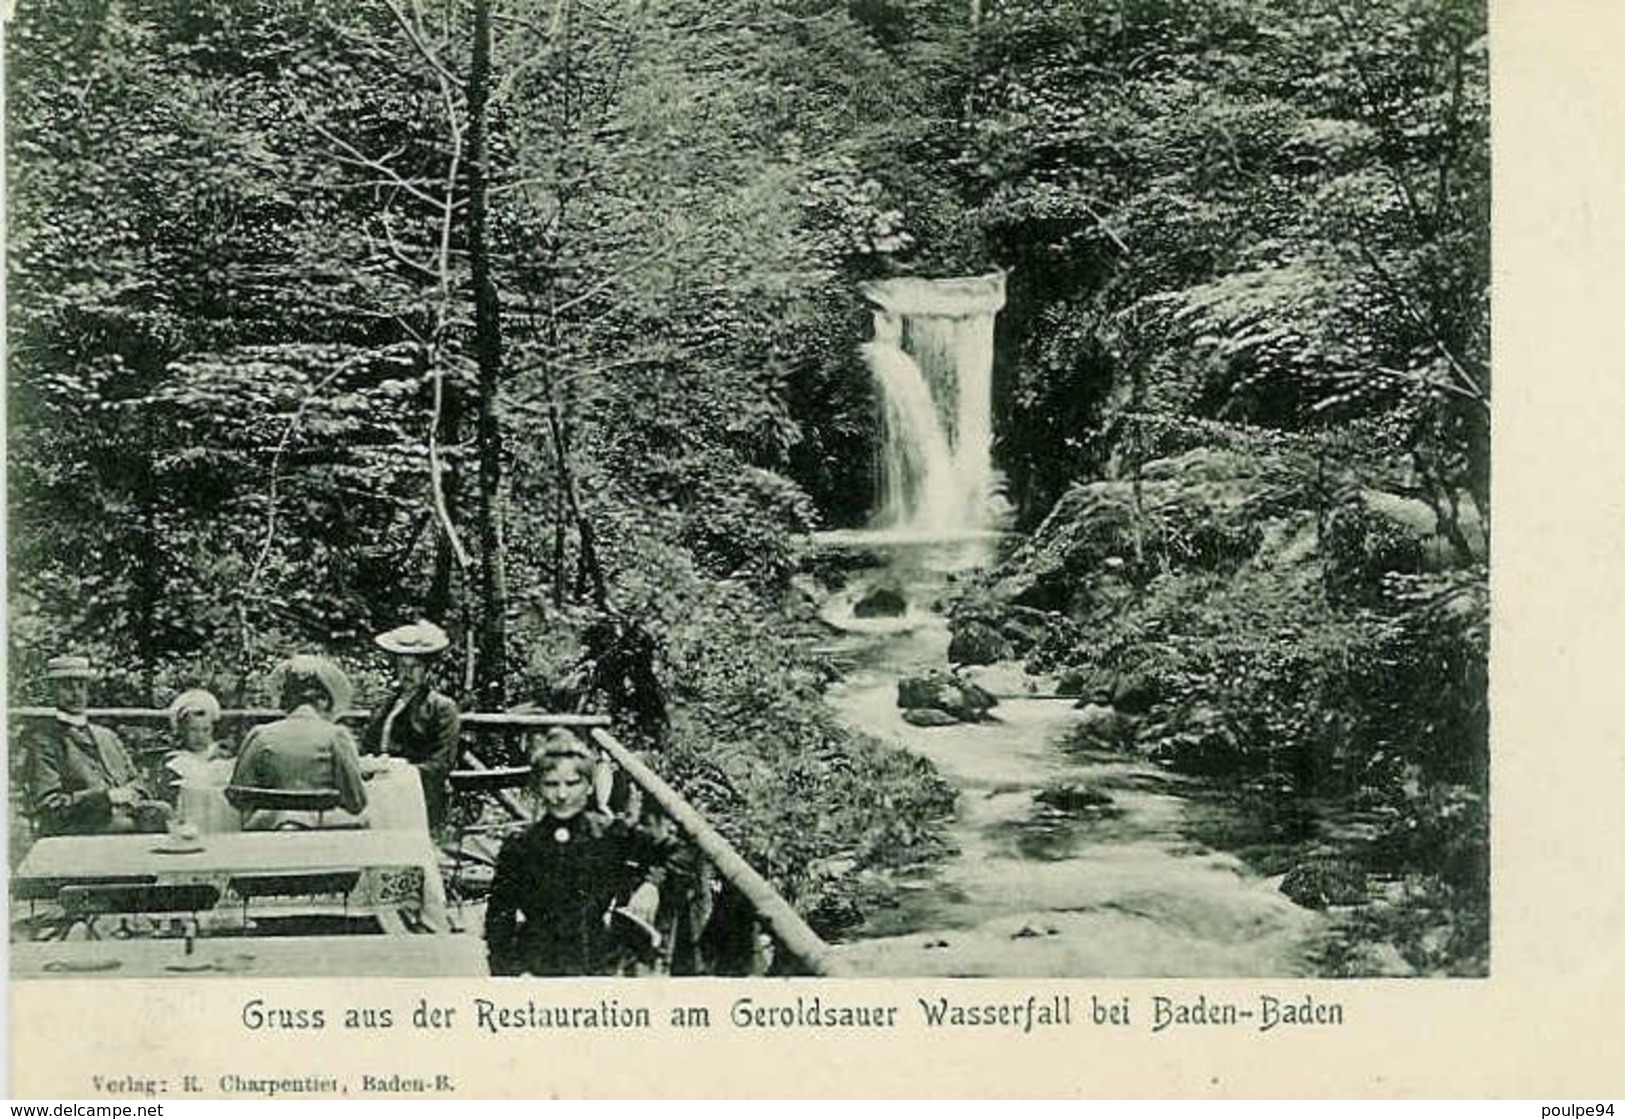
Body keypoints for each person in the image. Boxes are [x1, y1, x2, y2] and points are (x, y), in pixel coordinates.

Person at [484, 732, 674, 977]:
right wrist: (505, 973)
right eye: (551, 784)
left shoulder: (610, 834)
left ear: (589, 786)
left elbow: (672, 851)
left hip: (596, 961)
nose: (562, 795)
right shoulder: (521, 845)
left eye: (572, 784)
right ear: (538, 786)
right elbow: (500, 916)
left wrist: (651, 885)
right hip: (536, 965)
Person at [23, 654, 165, 836]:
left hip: (128, 819)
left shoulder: (107, 737)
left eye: (81, 686)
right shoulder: (44, 741)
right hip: (81, 829)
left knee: (164, 813)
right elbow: (50, 808)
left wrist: (133, 795)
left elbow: (139, 784)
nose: (76, 693)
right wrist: (107, 798)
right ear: (52, 690)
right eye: (67, 686)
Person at [227, 655, 367, 828]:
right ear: (324, 701)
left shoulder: (260, 735)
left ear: (285, 701)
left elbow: (238, 796)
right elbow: (357, 802)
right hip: (325, 833)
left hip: (269, 832)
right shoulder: (336, 736)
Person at [362, 621, 461, 833]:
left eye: (414, 666)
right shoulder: (383, 705)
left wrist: (400, 771)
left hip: (419, 793)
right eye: (402, 666)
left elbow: (441, 763)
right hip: (376, 788)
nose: (407, 673)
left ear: (426, 669)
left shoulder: (441, 707)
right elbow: (368, 747)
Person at [159, 688, 229, 804]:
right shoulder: (175, 762)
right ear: (181, 730)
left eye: (205, 730)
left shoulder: (221, 756)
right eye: (193, 730)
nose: (199, 736)